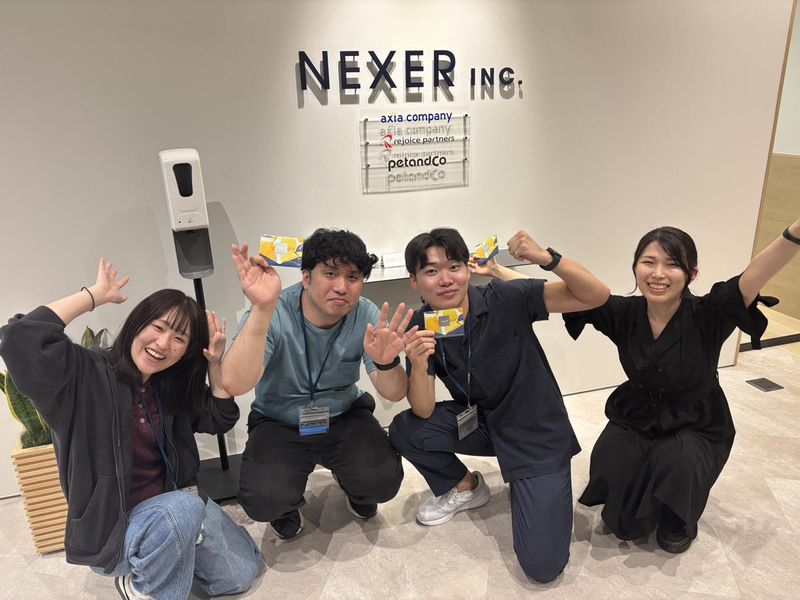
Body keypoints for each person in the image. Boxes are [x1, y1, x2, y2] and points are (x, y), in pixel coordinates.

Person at [0, 258, 262, 600]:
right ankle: (140, 586)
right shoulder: (86, 374)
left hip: (172, 507)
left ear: (185, 352)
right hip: (115, 529)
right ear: (138, 323)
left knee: (239, 575)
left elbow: (220, 418)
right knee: (184, 509)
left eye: (179, 338)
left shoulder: (168, 385)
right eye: (158, 327)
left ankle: (177, 543)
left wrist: (213, 363)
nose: (164, 343)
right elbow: (19, 339)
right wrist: (94, 295)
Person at [558, 218, 800, 554]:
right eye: (648, 262)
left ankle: (678, 518)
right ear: (635, 268)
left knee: (678, 460)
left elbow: (754, 275)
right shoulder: (624, 312)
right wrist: (520, 268)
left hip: (696, 418)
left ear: (692, 274)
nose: (658, 274)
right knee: (613, 455)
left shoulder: (709, 312)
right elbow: (566, 294)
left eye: (672, 264)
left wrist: (794, 234)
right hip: (640, 410)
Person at [388, 228, 610, 583]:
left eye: (454, 266)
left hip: (535, 432)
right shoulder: (421, 324)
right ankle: (466, 487)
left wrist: (547, 258)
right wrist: (415, 363)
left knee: (542, 567)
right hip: (482, 423)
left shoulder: (506, 296)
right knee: (405, 430)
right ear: (414, 281)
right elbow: (424, 411)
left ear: (467, 269)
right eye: (431, 271)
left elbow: (595, 295)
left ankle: (540, 485)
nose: (445, 279)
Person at [222, 228, 413, 540]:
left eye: (353, 277)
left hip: (344, 415)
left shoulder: (365, 313)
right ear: (306, 277)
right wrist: (261, 309)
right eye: (330, 273)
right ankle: (285, 508)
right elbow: (233, 383)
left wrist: (386, 362)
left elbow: (394, 392)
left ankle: (354, 486)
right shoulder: (272, 310)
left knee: (382, 481)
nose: (341, 287)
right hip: (279, 421)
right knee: (264, 499)